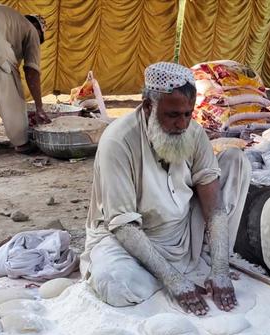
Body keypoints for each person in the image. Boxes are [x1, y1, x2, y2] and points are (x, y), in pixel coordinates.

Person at [81, 62, 251, 316]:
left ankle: (207, 263)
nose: (182, 124)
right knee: (116, 283)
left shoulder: (192, 132)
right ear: (149, 106)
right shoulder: (118, 140)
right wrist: (173, 281)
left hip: (182, 230)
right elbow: (124, 226)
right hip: (130, 238)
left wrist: (220, 269)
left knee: (236, 161)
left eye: (187, 114)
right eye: (172, 115)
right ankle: (172, 274)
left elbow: (214, 208)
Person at [0, 4, 50, 152]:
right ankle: (22, 142)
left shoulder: (9, 20)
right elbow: (31, 71)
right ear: (37, 27)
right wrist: (39, 107)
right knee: (13, 96)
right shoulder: (31, 29)